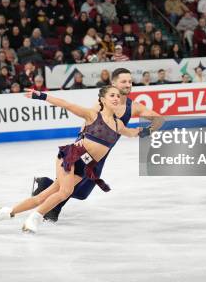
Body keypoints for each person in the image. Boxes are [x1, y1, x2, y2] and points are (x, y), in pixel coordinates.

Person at [0, 85, 148, 233]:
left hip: (84, 165)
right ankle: (33, 219)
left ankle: (7, 212)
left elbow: (132, 133)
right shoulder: (92, 115)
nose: (116, 98)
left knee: (43, 196)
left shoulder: (118, 124)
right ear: (102, 100)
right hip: (73, 155)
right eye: (112, 95)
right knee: (66, 192)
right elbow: (66, 104)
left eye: (118, 96)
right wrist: (41, 96)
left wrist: (147, 131)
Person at [30, 68, 162, 222]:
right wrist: (80, 138)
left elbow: (159, 119)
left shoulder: (134, 107)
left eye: (130, 81)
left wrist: (146, 132)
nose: (128, 84)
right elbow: (87, 120)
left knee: (82, 193)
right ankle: (52, 209)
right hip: (85, 148)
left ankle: (44, 183)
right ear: (113, 83)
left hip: (103, 153)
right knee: (71, 185)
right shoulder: (103, 103)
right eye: (123, 81)